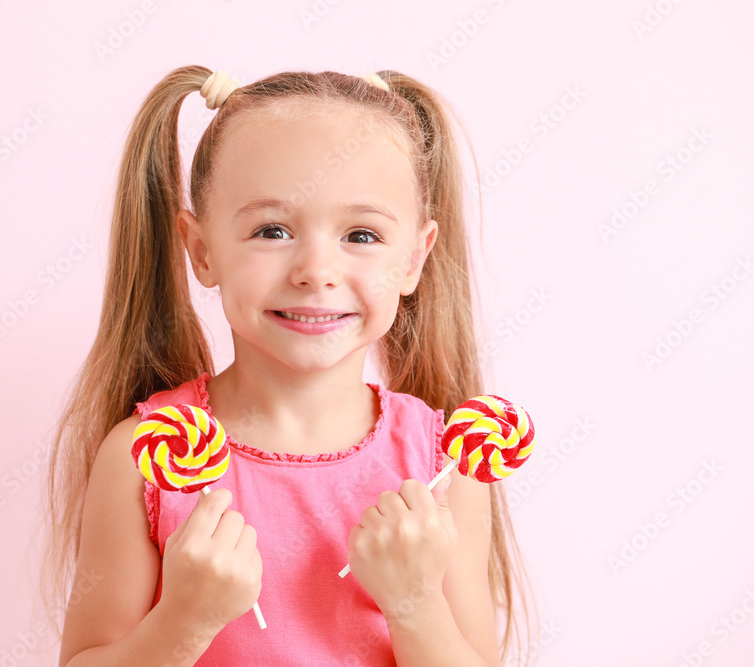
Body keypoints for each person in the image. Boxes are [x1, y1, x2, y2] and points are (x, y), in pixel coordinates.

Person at [40, 66, 536, 666]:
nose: (315, 270)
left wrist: (415, 603)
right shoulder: (146, 458)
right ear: (202, 251)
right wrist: (184, 620)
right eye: (272, 230)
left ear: (414, 260)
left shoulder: (448, 464)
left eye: (361, 234)